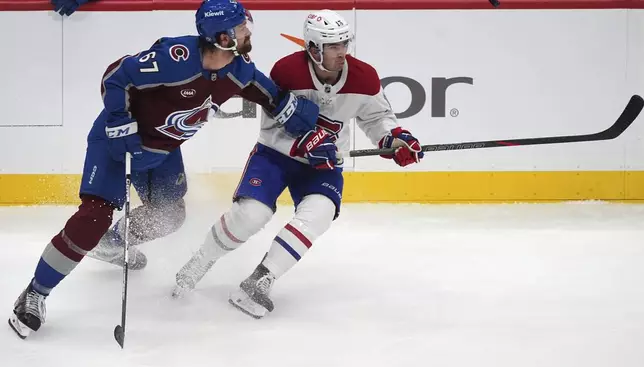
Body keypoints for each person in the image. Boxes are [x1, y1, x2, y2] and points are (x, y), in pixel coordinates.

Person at [8, 0, 320, 339]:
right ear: (221, 37)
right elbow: (117, 77)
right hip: (117, 146)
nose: (248, 32)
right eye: (240, 28)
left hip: (161, 152)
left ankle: (112, 243)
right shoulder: (176, 59)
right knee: (93, 216)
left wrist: (313, 124)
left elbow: (275, 99)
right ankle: (35, 292)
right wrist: (119, 121)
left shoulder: (238, 70)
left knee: (171, 215)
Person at [172, 9, 424, 319]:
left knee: (319, 213)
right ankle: (200, 261)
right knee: (251, 215)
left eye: (344, 44)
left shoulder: (364, 76)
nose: (342, 52)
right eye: (333, 46)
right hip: (276, 155)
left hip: (323, 164)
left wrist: (394, 140)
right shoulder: (287, 71)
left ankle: (260, 280)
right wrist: (299, 143)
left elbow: (377, 118)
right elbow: (275, 116)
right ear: (313, 48)